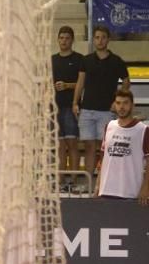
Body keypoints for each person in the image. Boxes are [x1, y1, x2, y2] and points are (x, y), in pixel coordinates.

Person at [73, 25, 129, 181]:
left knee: (103, 148)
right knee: (89, 147)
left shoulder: (116, 61)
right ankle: (90, 182)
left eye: (103, 37)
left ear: (108, 39)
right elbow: (80, 83)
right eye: (97, 37)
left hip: (106, 111)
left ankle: (102, 182)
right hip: (87, 110)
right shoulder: (86, 60)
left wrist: (117, 102)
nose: (100, 40)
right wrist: (75, 102)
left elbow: (126, 82)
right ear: (94, 39)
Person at [97, 90, 149, 204]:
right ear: (114, 105)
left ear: (132, 105)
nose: (121, 107)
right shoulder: (109, 126)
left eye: (125, 103)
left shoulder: (143, 130)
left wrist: (145, 188)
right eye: (118, 103)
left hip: (130, 192)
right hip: (106, 191)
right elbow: (103, 158)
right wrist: (98, 184)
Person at [51, 26, 82, 175]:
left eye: (67, 38)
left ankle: (74, 182)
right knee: (59, 146)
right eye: (61, 38)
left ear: (72, 40)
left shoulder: (79, 59)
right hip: (55, 108)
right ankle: (60, 181)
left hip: (71, 107)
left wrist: (67, 85)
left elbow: (84, 84)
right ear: (58, 40)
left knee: (72, 145)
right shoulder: (52, 60)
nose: (64, 41)